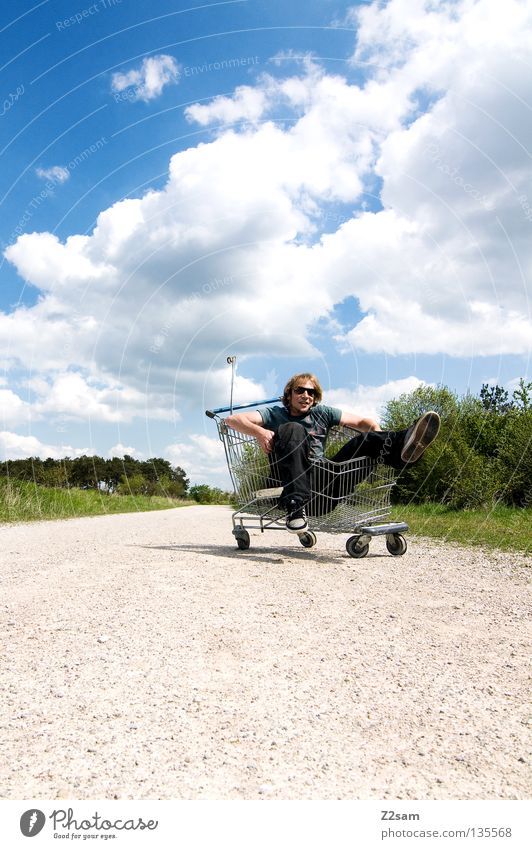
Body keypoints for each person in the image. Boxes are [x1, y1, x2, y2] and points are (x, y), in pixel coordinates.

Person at [225, 372, 440, 533]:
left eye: (311, 392)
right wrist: (260, 432)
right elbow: (232, 420)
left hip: (324, 488)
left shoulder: (323, 413)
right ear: (289, 394)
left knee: (365, 439)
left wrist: (378, 437)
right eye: (300, 390)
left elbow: (362, 422)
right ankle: (294, 506)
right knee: (293, 429)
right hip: (288, 482)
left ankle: (406, 444)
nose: (305, 395)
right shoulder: (274, 414)